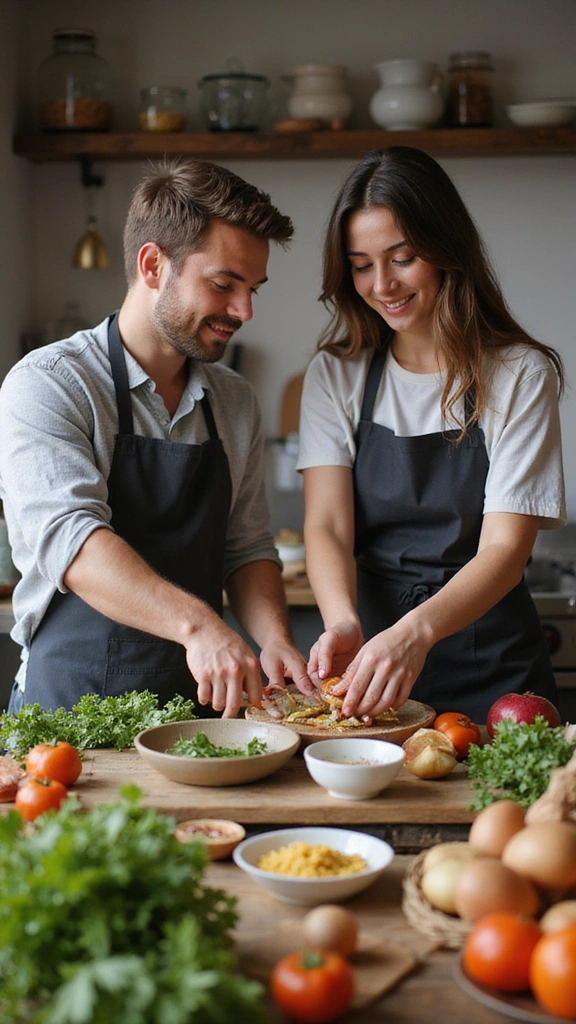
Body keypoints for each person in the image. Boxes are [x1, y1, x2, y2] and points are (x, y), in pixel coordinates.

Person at [0, 157, 314, 717]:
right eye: (223, 285)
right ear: (152, 265)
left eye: (252, 289)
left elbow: (245, 547)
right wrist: (199, 626)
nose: (243, 310)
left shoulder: (235, 400)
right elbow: (72, 540)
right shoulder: (48, 384)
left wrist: (274, 640)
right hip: (69, 717)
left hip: (194, 720)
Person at [297, 146, 566, 723]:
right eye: (362, 264)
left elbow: (505, 550)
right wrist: (343, 621)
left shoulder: (519, 373)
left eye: (402, 257)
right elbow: (326, 524)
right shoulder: (336, 373)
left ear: (446, 251)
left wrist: (415, 634)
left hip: (494, 673)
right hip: (373, 670)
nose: (382, 284)